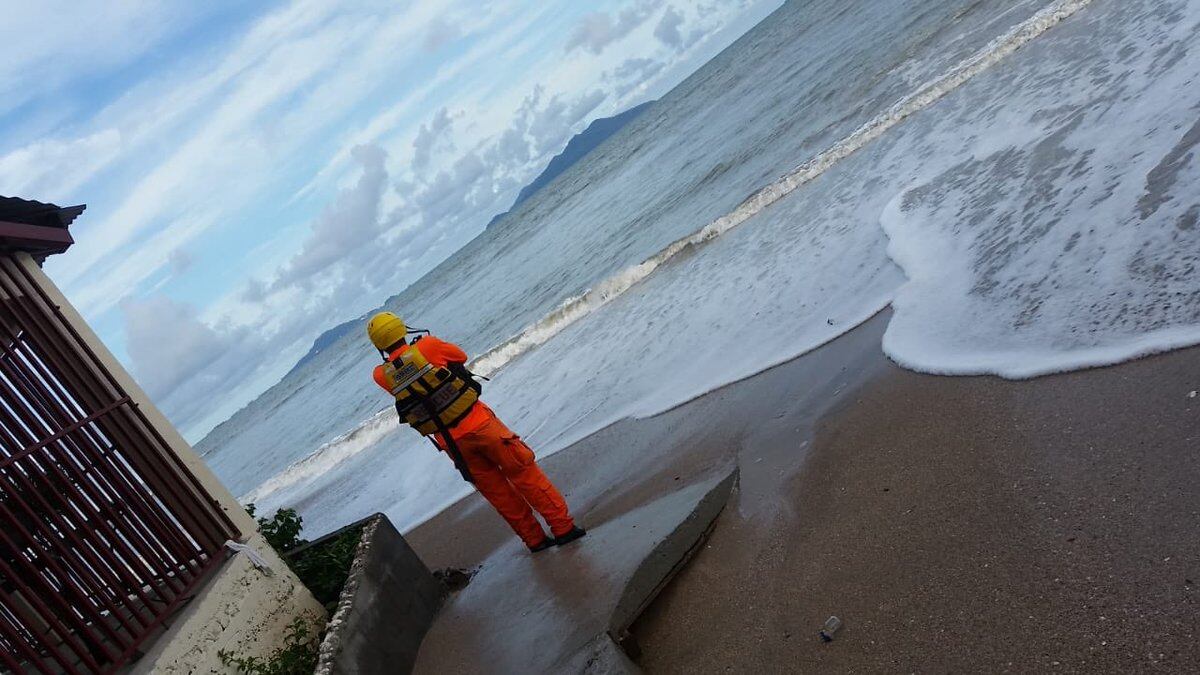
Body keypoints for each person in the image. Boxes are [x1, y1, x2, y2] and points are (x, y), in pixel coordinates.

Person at [366, 311, 585, 553]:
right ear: (401, 328)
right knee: (524, 473)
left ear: (378, 344)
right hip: (480, 424)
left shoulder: (380, 375)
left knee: (498, 493)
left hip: (451, 443)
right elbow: (460, 356)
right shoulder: (427, 345)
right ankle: (563, 529)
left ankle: (535, 540)